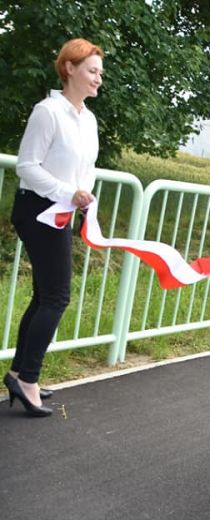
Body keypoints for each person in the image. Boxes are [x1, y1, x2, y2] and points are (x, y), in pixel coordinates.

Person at [4, 38, 104, 418]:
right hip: (37, 209)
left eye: (99, 73)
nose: (98, 79)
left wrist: (85, 197)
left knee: (45, 295)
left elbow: (85, 170)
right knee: (57, 297)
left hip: (61, 211)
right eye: (92, 71)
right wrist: (68, 192)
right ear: (70, 69)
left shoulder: (88, 119)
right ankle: (27, 377)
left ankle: (19, 374)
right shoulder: (47, 112)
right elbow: (26, 166)